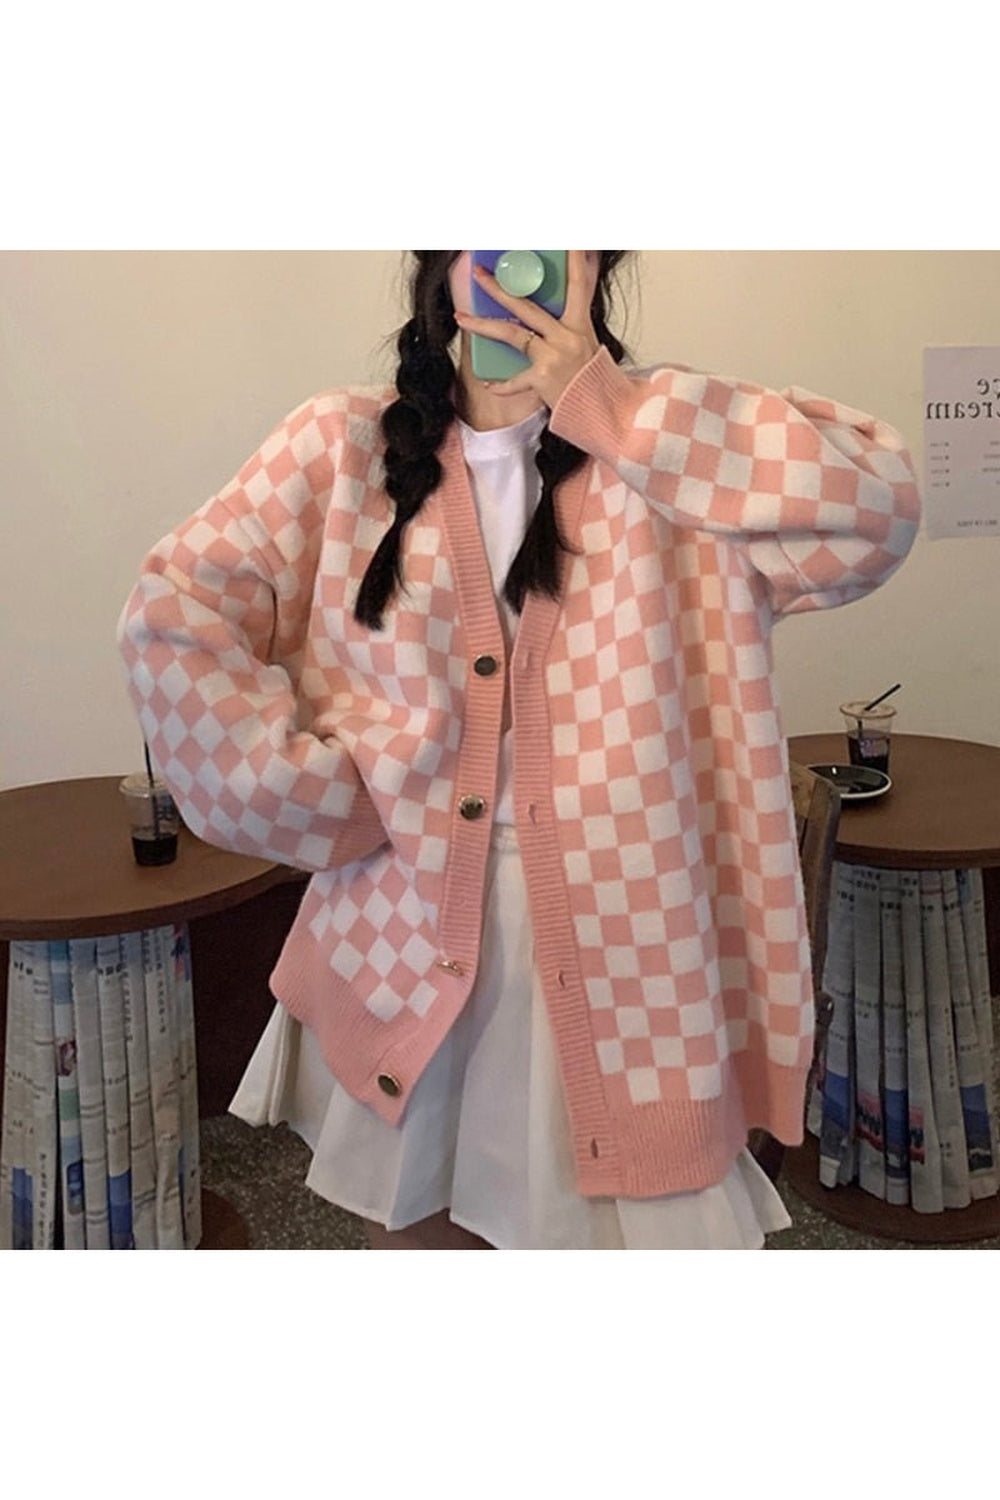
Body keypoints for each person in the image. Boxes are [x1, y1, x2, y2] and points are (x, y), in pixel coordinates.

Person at [118, 251, 920, 1249]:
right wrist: (312, 799)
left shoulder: (663, 442)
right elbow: (172, 615)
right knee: (416, 1232)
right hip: (405, 932)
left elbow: (879, 507)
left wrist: (610, 406)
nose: (522, 254)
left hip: (637, 960)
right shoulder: (341, 448)